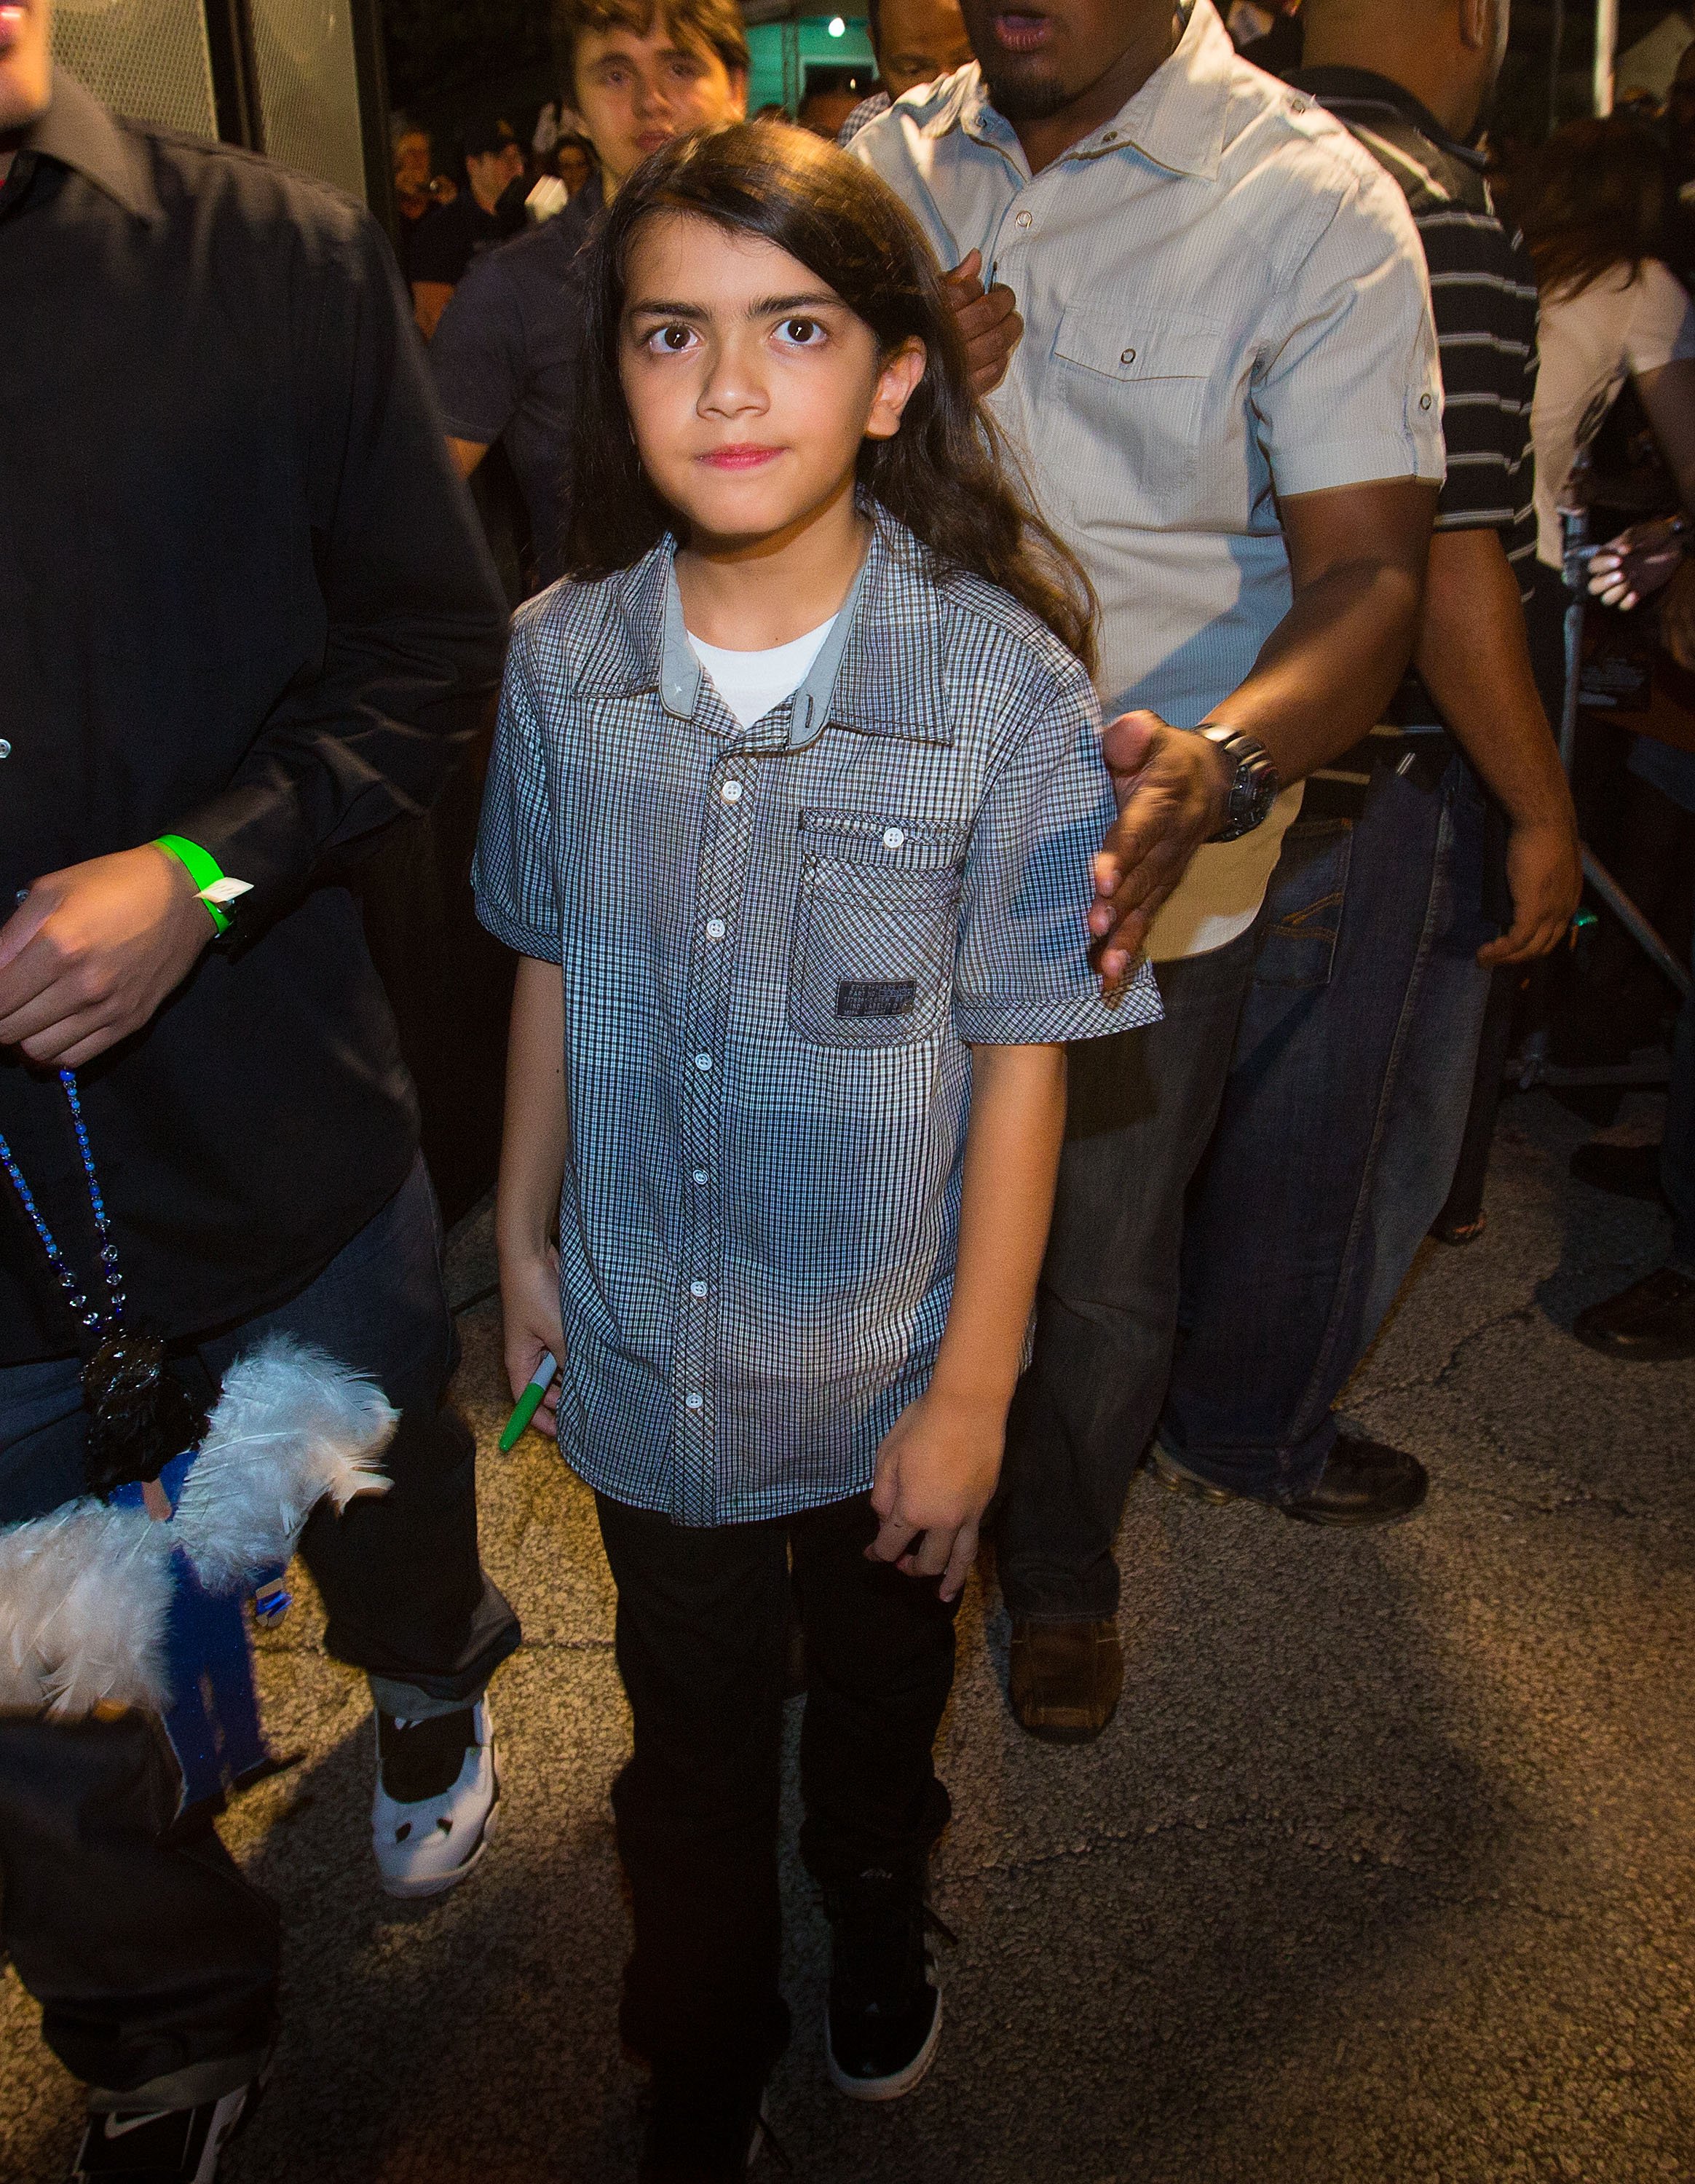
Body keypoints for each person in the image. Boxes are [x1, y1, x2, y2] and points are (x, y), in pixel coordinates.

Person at [476, 120, 1158, 2181]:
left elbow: (1029, 1053)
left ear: (893, 378)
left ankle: (875, 1907)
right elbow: (543, 965)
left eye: (793, 328)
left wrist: (974, 1393)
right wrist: (518, 1236)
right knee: (680, 1751)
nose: (729, 385)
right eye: (672, 334)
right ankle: (702, 2027)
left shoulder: (1005, 690)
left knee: (870, 1722)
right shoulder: (557, 667)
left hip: (881, 1370)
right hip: (644, 1355)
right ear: (617, 375)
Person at [0, 13, 520, 2179]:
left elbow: (429, 651)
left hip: (276, 1119)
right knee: (39, 1701)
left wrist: (204, 871)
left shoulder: (273, 258)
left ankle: (427, 1671)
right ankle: (166, 2036)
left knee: (370, 1486)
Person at [851, 0, 1443, 1742]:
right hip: (868, 830)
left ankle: (1064, 1568)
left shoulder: (1309, 199)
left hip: (1137, 861)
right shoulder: (876, 171)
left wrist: (1229, 757)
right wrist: (888, 397)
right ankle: (870, 1579)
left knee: (1099, 1266)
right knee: (870, 1240)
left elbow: (1372, 581)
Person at [1150, 0, 1581, 1528]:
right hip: (1372, 755)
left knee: (1206, 1108)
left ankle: (1161, 1395)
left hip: (1216, 727)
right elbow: (1451, 554)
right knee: (1330, 1127)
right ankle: (1253, 1426)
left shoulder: (1229, 163)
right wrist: (1539, 805)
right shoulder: (1430, 206)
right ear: (1474, 16)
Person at [1511, 116, 1695, 1360]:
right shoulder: (1640, 284)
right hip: (1517, 595)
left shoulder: (1488, 250)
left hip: (1420, 575)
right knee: (1546, 831)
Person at [429, 0, 749, 587]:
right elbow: (406, 516)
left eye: (679, 68)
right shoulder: (514, 289)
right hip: (600, 666)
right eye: (615, 75)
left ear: (736, 87)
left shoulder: (806, 261)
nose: (651, 100)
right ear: (574, 104)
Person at [409, 113, 528, 339]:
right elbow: (434, 320)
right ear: (473, 165)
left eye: (518, 157)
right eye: (503, 157)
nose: (515, 167)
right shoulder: (440, 231)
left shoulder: (528, 222)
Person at [836, 0, 976, 142]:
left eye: (967, 62)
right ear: (876, 51)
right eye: (913, 70)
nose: (944, 88)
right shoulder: (866, 130)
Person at [391, 114, 455, 297]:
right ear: (396, 159)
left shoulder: (439, 205)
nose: (419, 160)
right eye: (411, 153)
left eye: (424, 152)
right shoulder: (387, 210)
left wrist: (450, 208)